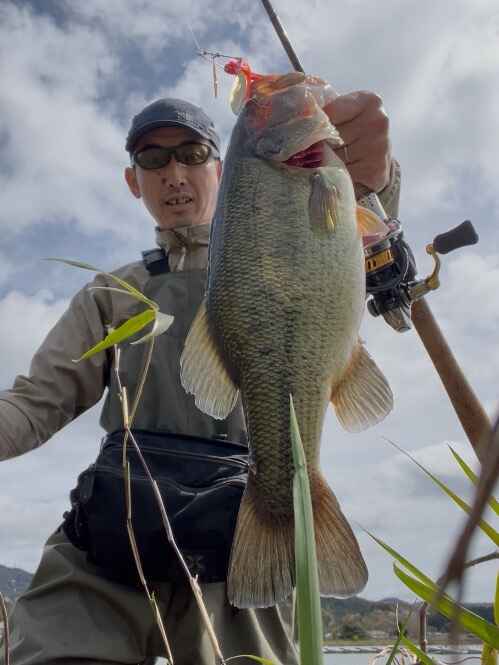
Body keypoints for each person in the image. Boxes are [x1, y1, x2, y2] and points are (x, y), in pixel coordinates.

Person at [0, 88, 400, 665]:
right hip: (113, 529)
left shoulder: (291, 235)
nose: (175, 174)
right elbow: (35, 402)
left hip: (240, 530)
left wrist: (379, 178)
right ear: (133, 181)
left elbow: (368, 233)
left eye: (192, 153)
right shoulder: (110, 292)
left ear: (221, 168)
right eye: (153, 159)